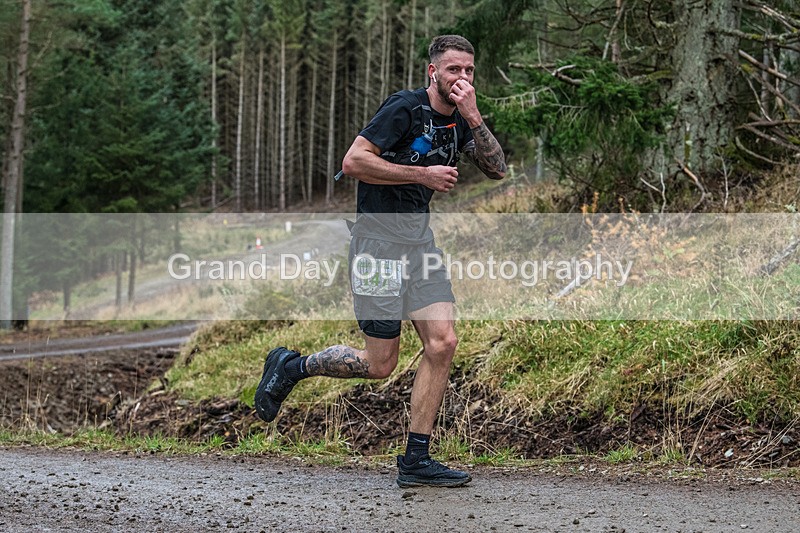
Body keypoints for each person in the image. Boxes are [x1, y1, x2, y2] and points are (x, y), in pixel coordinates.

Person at [255, 35, 506, 488]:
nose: (462, 79)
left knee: (443, 342)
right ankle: (292, 366)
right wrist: (421, 174)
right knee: (379, 364)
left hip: (419, 245)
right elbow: (354, 162)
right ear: (434, 72)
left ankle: (415, 460)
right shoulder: (404, 109)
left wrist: (473, 117)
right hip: (376, 246)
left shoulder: (464, 122)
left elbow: (497, 169)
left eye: (469, 71)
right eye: (454, 70)